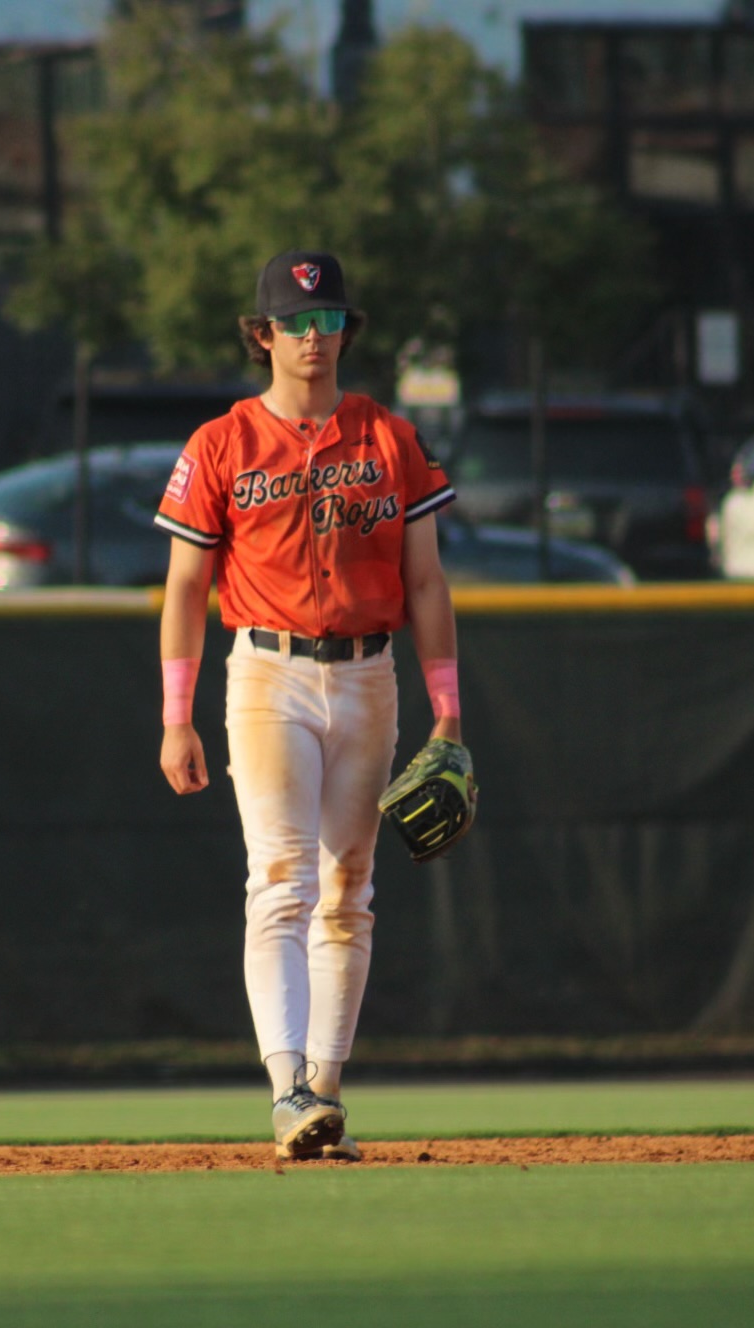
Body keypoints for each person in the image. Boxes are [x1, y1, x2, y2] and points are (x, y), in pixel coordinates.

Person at [154, 249, 465, 1161]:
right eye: (295, 322)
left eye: (329, 321)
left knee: (349, 893)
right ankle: (287, 1087)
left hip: (369, 674)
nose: (314, 337)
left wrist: (449, 711)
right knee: (281, 879)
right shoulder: (221, 444)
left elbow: (429, 582)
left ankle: (324, 1095)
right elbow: (183, 586)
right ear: (262, 335)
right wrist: (176, 715)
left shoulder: (388, 437)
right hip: (267, 674)